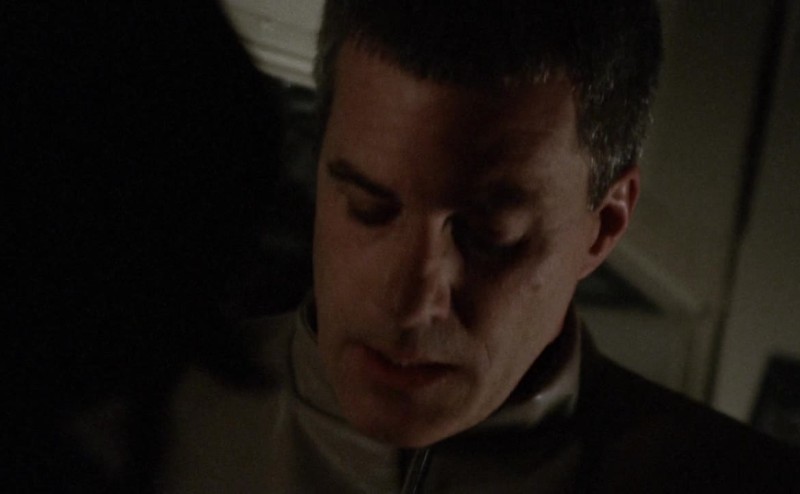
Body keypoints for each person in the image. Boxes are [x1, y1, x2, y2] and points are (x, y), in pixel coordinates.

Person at [151, 0, 800, 492]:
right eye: (369, 209)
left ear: (603, 227)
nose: (411, 302)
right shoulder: (135, 425)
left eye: (489, 237)